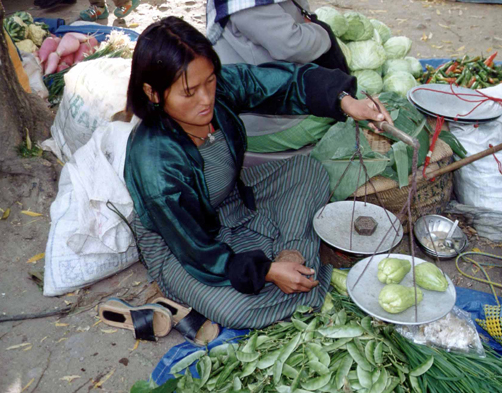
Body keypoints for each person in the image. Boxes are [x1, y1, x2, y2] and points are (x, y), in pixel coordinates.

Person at [124, 16, 391, 329]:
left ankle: (291, 255)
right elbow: (199, 253)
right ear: (153, 93)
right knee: (235, 310)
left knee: (308, 170)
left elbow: (280, 82)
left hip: (231, 197)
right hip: (181, 242)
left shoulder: (215, 90)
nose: (206, 98)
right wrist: (265, 271)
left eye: (210, 81)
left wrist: (345, 101)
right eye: (189, 92)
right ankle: (291, 271)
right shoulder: (155, 165)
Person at [206, 0, 340, 153]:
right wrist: (323, 32)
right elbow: (293, 44)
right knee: (351, 98)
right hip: (266, 124)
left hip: (274, 97)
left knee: (342, 92)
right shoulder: (247, 5)